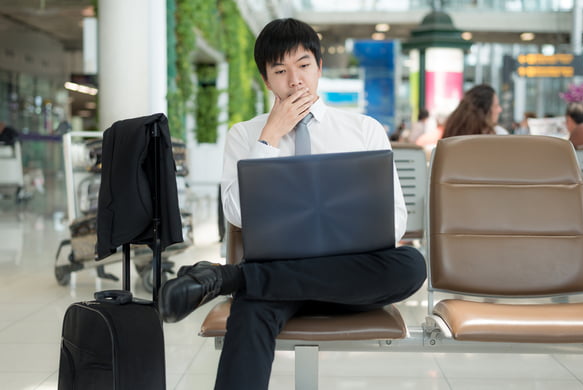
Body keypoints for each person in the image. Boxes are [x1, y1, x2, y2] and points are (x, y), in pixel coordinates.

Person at [158, 18, 427, 390]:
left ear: (320, 67)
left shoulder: (363, 130)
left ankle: (230, 278)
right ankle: (248, 280)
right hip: (276, 271)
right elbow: (237, 215)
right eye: (280, 70)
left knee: (411, 265)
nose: (295, 80)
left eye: (303, 66)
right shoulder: (245, 135)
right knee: (251, 315)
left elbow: (394, 221)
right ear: (267, 80)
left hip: (344, 275)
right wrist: (270, 137)